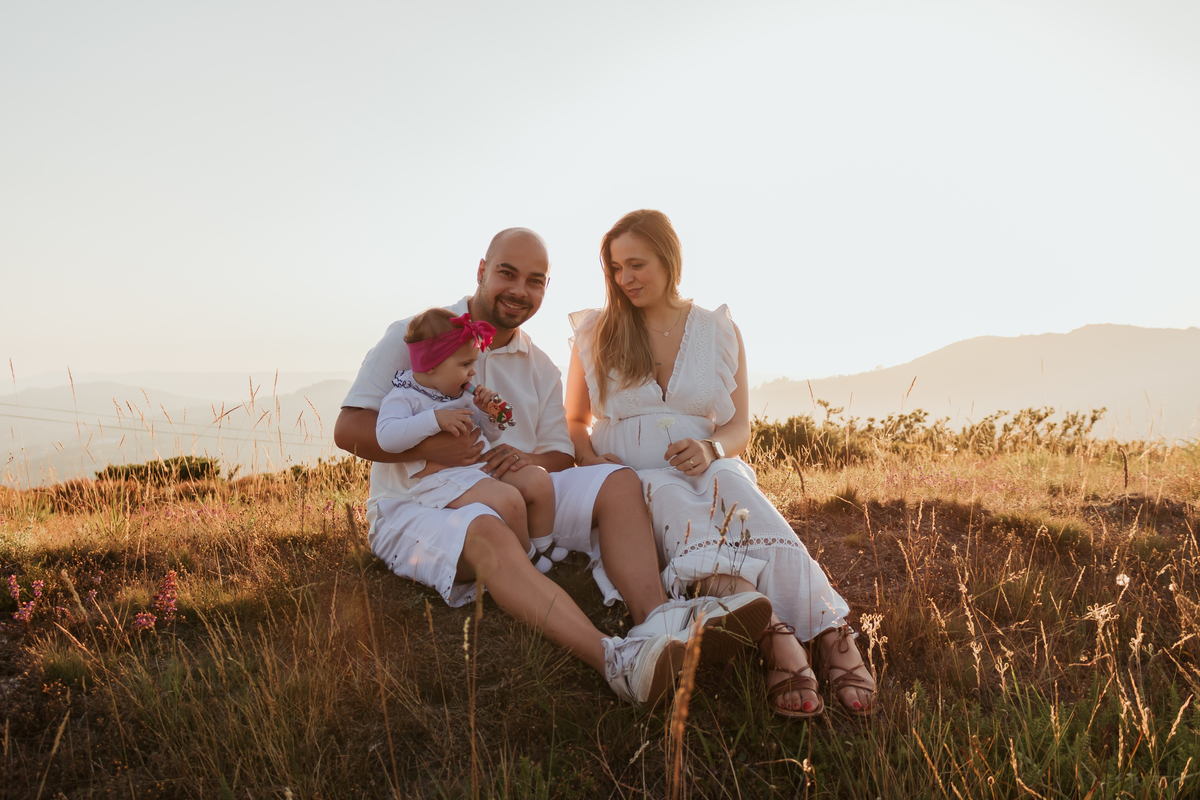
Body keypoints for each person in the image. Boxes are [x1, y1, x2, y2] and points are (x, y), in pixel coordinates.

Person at [334, 227, 772, 707]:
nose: (520, 291)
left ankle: (659, 622)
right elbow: (349, 428)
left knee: (618, 481)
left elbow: (561, 454)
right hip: (417, 504)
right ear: (481, 272)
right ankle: (615, 662)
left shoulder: (539, 366)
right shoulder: (415, 335)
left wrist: (523, 462)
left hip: (514, 489)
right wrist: (434, 450)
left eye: (535, 280)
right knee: (487, 528)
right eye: (507, 273)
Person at [565, 210, 878, 718]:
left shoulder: (718, 329)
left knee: (735, 488)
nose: (626, 279)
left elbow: (739, 428)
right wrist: (592, 460)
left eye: (637, 265)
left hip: (706, 463)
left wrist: (711, 450)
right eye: (617, 268)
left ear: (669, 260)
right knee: (669, 499)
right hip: (632, 475)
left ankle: (830, 632)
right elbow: (575, 419)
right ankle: (777, 637)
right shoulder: (597, 331)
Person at [375, 308, 563, 573]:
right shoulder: (405, 397)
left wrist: (490, 416)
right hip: (443, 481)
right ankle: (528, 559)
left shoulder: (456, 394)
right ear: (431, 364)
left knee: (538, 479)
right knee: (509, 500)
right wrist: (435, 420)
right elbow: (386, 437)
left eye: (473, 364)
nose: (473, 373)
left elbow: (487, 435)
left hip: (478, 469)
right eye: (465, 365)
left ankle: (545, 545)